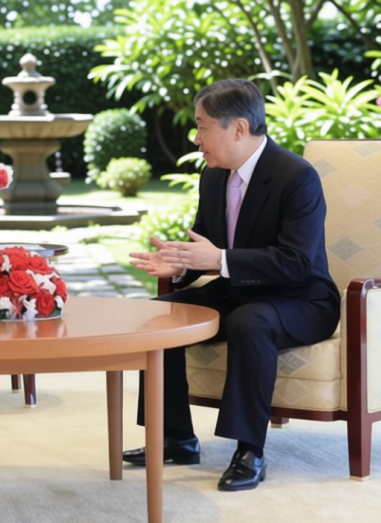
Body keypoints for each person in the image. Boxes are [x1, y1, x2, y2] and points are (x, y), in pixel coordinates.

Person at [122, 79, 340, 491]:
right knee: (162, 314)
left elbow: (297, 262)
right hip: (237, 291)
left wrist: (220, 260)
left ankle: (249, 450)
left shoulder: (297, 176)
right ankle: (175, 437)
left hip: (301, 299)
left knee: (250, 322)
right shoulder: (213, 177)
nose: (196, 138)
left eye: (202, 127)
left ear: (238, 128)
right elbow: (206, 244)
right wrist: (178, 264)